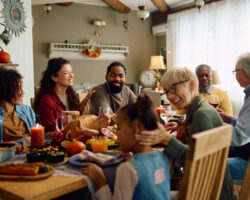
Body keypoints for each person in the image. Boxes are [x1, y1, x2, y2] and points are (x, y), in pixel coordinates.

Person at [135, 67, 235, 200]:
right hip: (219, 192)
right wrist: (183, 127)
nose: (169, 96)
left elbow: (197, 164)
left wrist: (167, 140)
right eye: (166, 92)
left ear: (192, 84)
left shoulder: (202, 115)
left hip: (209, 194)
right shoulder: (201, 109)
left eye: (173, 88)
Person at [81, 94, 170, 200]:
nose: (116, 134)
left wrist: (99, 178)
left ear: (135, 130)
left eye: (118, 128)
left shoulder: (127, 169)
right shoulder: (163, 157)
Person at [34, 57, 95, 133]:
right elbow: (51, 131)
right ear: (54, 77)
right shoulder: (46, 101)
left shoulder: (70, 94)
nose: (72, 76)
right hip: (58, 142)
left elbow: (75, 112)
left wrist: (87, 97)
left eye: (71, 72)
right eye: (66, 73)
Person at [217, 53, 250, 180]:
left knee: (203, 165)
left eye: (235, 71)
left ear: (241, 72)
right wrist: (229, 119)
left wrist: (214, 126)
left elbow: (239, 137)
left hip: (245, 163)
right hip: (244, 156)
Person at [0, 68, 36, 142]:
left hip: (30, 151)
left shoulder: (27, 110)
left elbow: (34, 136)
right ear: (5, 89)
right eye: (18, 88)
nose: (23, 93)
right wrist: (10, 144)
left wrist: (46, 135)